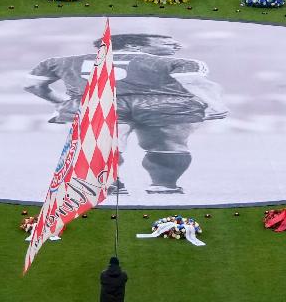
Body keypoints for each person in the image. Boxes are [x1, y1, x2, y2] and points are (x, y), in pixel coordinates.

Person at [27, 32, 226, 195]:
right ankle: (164, 186)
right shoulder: (179, 63)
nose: (176, 45)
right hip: (161, 104)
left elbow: (32, 85)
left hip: (100, 102)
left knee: (108, 143)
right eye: (166, 42)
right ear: (132, 45)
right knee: (168, 143)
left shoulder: (62, 62)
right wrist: (215, 104)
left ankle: (106, 184)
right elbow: (194, 82)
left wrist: (61, 102)